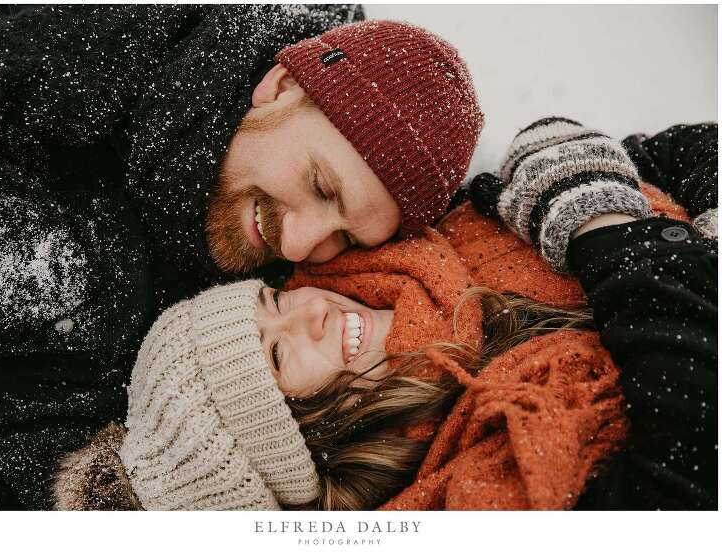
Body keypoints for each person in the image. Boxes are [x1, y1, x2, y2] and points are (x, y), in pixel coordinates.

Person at [0, 5, 483, 508]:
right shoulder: (35, 121)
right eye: (321, 187)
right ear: (281, 86)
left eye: (345, 238)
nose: (299, 246)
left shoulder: (342, 110)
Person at [41, 118, 715, 510]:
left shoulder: (411, 246)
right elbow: (689, 468)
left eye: (274, 302)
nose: (310, 311)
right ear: (302, 443)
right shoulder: (463, 493)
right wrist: (606, 231)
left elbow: (675, 155)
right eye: (277, 355)